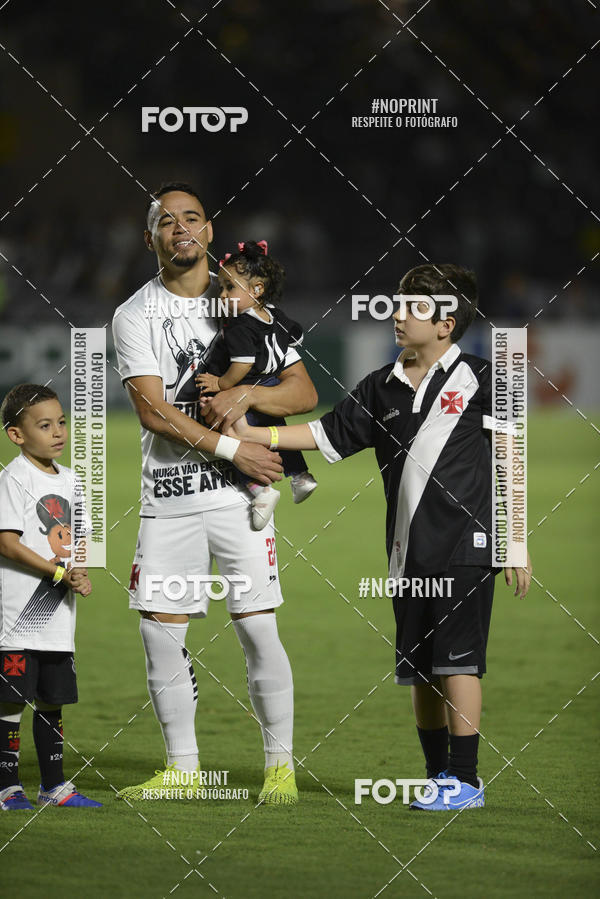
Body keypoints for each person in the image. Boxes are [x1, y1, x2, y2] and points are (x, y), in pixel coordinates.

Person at [226, 263, 532, 811]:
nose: (396, 313)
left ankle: (465, 782)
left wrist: (516, 541)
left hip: (468, 544)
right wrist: (253, 429)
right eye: (396, 303)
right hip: (406, 551)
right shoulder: (380, 385)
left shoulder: (485, 378)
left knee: (458, 663)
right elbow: (323, 434)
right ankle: (438, 777)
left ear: (446, 322)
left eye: (413, 306)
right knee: (421, 671)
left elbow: (511, 454)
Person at [111, 182, 318, 804]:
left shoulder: (243, 301)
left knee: (256, 628)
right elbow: (152, 411)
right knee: (159, 632)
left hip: (238, 499)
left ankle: (279, 768)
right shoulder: (133, 315)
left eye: (192, 218)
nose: (180, 229)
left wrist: (244, 396)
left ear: (208, 230)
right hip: (171, 495)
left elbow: (304, 395)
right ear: (151, 238)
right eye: (166, 221)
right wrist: (236, 446)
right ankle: (183, 769)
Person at [0, 383, 100, 810]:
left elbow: (81, 538)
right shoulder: (13, 478)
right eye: (44, 425)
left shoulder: (74, 479)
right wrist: (58, 570)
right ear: (16, 435)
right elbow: (6, 542)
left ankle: (53, 786)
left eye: (61, 422)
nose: (58, 432)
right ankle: (7, 787)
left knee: (52, 699)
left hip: (58, 617)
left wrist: (79, 570)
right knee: (10, 700)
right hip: (18, 616)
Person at [196, 239, 318, 530]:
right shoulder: (273, 313)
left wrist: (220, 383)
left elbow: (242, 363)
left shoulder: (237, 324)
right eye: (222, 287)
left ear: (257, 290)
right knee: (277, 432)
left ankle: (259, 490)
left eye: (229, 288)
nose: (222, 295)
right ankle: (301, 476)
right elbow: (296, 334)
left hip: (247, 384)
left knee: (233, 434)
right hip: (272, 383)